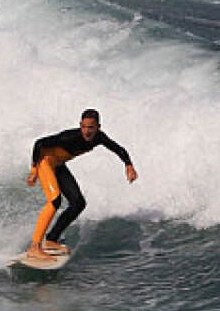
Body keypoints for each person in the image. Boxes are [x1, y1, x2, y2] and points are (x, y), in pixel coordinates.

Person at [25, 109, 138, 261]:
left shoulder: (99, 137)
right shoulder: (70, 137)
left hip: (58, 165)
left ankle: (51, 240)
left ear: (98, 127)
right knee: (55, 200)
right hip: (44, 162)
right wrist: (33, 171)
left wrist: (129, 166)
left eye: (91, 127)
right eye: (84, 127)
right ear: (80, 125)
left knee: (78, 203)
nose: (87, 131)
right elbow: (39, 144)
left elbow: (118, 149)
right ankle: (34, 247)